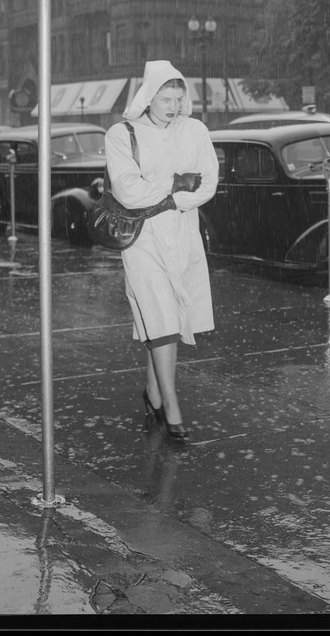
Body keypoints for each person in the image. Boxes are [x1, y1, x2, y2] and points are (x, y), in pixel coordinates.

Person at [104, 60, 219, 439]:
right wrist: (173, 184)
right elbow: (129, 192)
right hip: (142, 239)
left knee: (168, 313)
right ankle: (171, 403)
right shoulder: (121, 135)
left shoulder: (196, 130)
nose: (172, 106)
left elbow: (206, 186)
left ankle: (153, 391)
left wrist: (169, 197)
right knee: (160, 313)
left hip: (183, 233)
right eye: (164, 98)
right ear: (147, 97)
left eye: (178, 97)